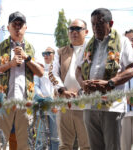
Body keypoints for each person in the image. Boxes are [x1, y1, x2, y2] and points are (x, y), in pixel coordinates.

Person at [75, 8, 133, 150]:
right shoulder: (88, 44)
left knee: (112, 146)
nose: (96, 28)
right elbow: (78, 69)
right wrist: (82, 83)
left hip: (112, 107)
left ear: (111, 23)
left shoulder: (122, 42)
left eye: (100, 23)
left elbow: (132, 69)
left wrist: (110, 83)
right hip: (90, 105)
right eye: (93, 24)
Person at [0, 11, 44, 150]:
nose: (18, 27)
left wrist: (27, 58)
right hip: (4, 102)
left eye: (21, 24)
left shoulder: (31, 48)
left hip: (26, 103)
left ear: (26, 27)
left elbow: (41, 72)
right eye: (15, 24)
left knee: (25, 144)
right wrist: (10, 64)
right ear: (8, 28)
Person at [49, 19, 90, 150]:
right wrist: (62, 90)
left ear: (86, 31)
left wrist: (83, 91)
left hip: (85, 105)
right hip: (64, 105)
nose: (74, 32)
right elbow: (52, 73)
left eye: (78, 29)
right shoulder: (60, 52)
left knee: (86, 146)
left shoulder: (92, 51)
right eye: (71, 29)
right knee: (65, 145)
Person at [34, 47, 59, 150]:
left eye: (48, 53)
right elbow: (35, 85)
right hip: (42, 105)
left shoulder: (58, 69)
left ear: (54, 54)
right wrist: (41, 95)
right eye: (44, 53)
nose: (46, 55)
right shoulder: (40, 68)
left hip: (55, 106)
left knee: (55, 138)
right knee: (41, 136)